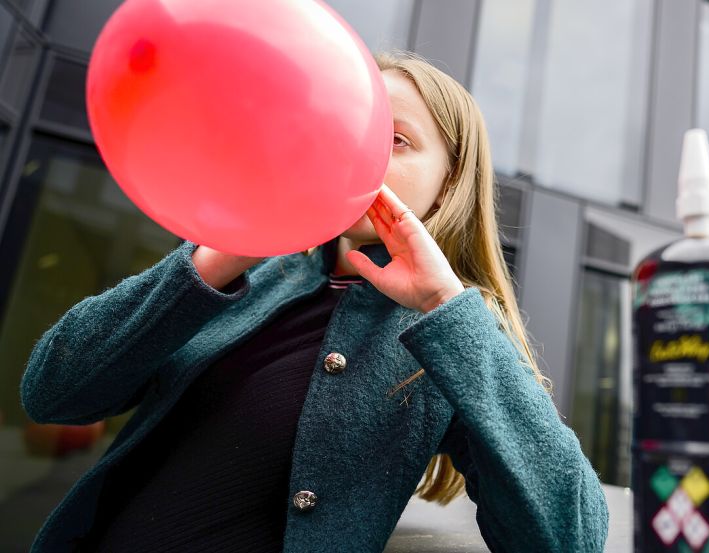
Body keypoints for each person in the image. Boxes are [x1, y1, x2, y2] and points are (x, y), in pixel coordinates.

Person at [19, 50, 609, 552]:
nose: (362, 153)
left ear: (450, 182)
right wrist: (218, 257)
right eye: (354, 131)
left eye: (396, 140)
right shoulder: (247, 271)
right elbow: (52, 393)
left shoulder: (455, 331)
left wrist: (444, 304)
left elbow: (571, 537)